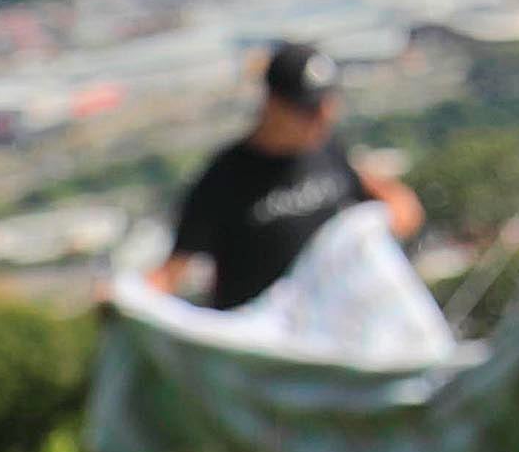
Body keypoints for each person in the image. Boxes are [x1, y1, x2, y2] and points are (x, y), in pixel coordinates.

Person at [152, 41, 421, 310]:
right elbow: (172, 272)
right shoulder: (224, 179)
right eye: (308, 109)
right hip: (261, 339)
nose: (322, 118)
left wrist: (388, 217)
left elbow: (388, 200)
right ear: (272, 104)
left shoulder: (327, 148)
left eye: (327, 104)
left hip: (330, 328)